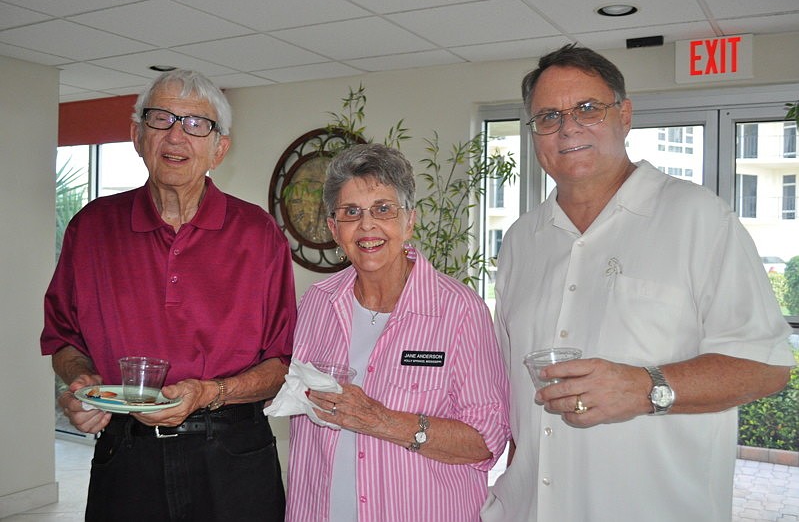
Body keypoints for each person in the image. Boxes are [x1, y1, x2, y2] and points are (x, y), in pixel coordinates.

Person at [481, 44, 797, 522]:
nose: (568, 127)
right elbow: (518, 399)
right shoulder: (522, 240)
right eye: (548, 116)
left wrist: (644, 387)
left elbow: (766, 365)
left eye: (587, 108)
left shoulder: (697, 218)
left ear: (624, 115)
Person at [41, 70, 296, 521]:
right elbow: (64, 339)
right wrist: (82, 383)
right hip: (126, 454)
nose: (176, 134)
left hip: (233, 455)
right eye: (161, 118)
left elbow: (281, 364)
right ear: (137, 135)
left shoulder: (259, 234)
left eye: (197, 124)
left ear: (220, 148)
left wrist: (208, 392)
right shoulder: (92, 229)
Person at [285, 143, 510, 521]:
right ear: (333, 229)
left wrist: (380, 419)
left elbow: (485, 442)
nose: (367, 225)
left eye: (383, 209)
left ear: (409, 221)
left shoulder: (458, 311)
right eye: (351, 212)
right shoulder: (317, 303)